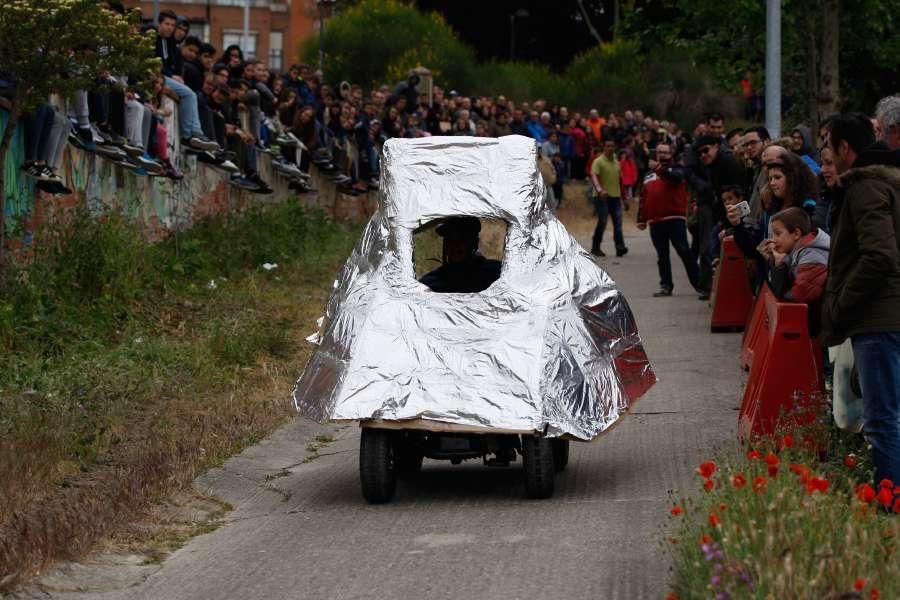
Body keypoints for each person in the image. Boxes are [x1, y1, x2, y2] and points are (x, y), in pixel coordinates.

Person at [820, 113, 900, 500]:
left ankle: (891, 501)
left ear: (845, 148)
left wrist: (842, 303)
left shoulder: (866, 187)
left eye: (828, 144)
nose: (825, 153)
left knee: (882, 418)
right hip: (883, 316)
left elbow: (880, 256)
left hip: (878, 320)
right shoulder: (879, 183)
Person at [637, 143, 699, 297]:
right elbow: (643, 198)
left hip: (675, 219)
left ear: (671, 153)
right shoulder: (648, 175)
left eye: (665, 152)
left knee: (684, 251)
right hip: (655, 221)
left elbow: (675, 179)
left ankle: (700, 284)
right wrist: (641, 218)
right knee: (662, 255)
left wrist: (658, 168)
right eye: (659, 152)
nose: (662, 155)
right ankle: (666, 285)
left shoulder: (677, 168)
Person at [766, 207, 830, 335]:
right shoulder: (796, 252)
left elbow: (794, 298)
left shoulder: (812, 256)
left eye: (778, 234)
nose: (773, 240)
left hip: (820, 327)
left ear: (796, 234)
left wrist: (779, 266)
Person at [419, 217, 502, 293]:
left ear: (473, 243)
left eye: (461, 239)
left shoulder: (495, 274)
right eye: (450, 239)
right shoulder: (429, 283)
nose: (455, 246)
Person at [590, 139, 628, 258]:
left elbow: (620, 181)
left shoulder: (617, 163)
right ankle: (595, 247)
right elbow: (594, 177)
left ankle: (620, 247)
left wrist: (625, 198)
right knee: (603, 222)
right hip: (602, 198)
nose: (610, 148)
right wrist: (600, 190)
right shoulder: (598, 161)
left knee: (618, 224)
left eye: (612, 146)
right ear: (604, 148)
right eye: (607, 146)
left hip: (615, 197)